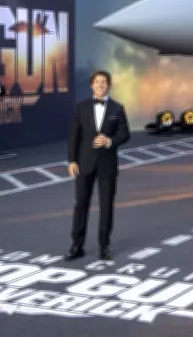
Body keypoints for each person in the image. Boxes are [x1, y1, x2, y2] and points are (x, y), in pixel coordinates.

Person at [64, 70, 130, 261]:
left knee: (106, 205)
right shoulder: (81, 107)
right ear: (91, 85)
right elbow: (74, 136)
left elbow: (124, 134)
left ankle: (104, 245)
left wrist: (109, 141)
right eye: (97, 82)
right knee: (81, 204)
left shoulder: (117, 108)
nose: (100, 85)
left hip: (107, 164)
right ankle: (77, 245)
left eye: (104, 82)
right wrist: (72, 160)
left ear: (108, 85)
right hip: (84, 163)